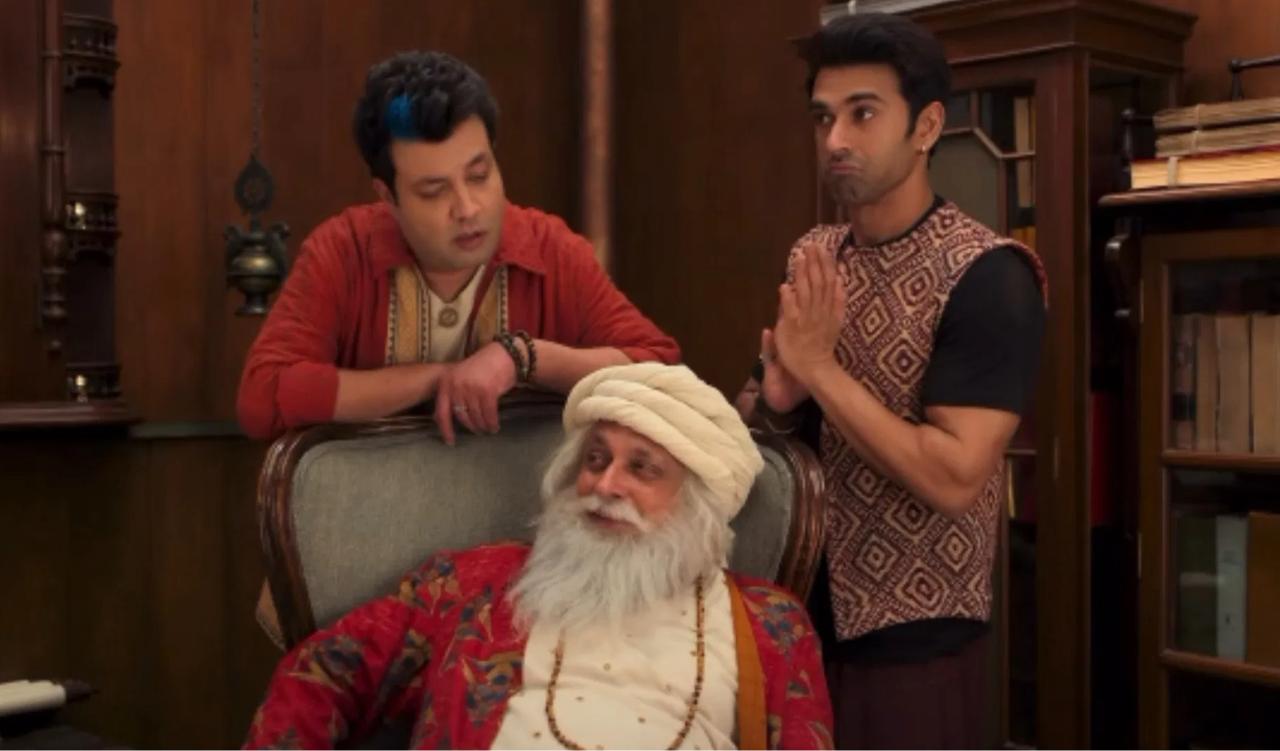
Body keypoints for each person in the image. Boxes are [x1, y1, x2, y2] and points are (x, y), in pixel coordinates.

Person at [736, 12, 1048, 749]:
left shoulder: (989, 274)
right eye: (824, 117)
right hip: (794, 614)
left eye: (863, 113)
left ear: (926, 126)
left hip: (915, 641)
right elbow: (763, 416)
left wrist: (820, 369)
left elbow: (954, 474)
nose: (835, 139)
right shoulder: (814, 255)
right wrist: (774, 404)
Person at [244, 363, 833, 750]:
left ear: (698, 504)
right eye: (596, 459)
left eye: (642, 468)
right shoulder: (474, 582)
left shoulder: (769, 623)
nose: (605, 485)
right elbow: (323, 672)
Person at [236, 51, 678, 444]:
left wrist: (520, 357)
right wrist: (437, 378)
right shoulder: (342, 251)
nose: (468, 208)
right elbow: (263, 396)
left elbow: (659, 373)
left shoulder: (550, 249)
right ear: (388, 197)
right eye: (434, 191)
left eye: (479, 176)